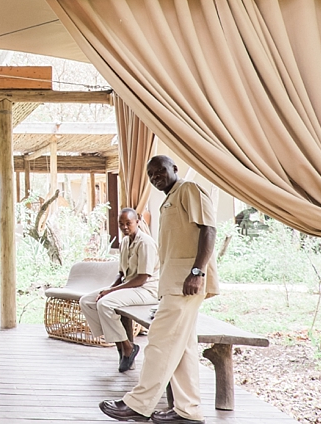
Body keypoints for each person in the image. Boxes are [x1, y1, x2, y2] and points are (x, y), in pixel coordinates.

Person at [100, 156, 218, 424]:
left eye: (160, 171)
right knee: (183, 349)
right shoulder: (169, 200)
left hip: (186, 283)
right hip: (174, 284)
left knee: (160, 342)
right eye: (150, 174)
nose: (155, 178)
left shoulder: (188, 189)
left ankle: (138, 404)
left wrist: (198, 272)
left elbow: (209, 229)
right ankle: (188, 410)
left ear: (174, 169)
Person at [79, 208, 159, 373]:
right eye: (121, 224)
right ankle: (121, 343)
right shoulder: (124, 242)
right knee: (86, 301)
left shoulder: (145, 243)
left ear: (137, 222)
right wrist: (110, 288)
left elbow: (142, 278)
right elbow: (122, 273)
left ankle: (127, 349)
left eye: (128, 223)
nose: (124, 227)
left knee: (105, 304)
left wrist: (110, 293)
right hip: (130, 286)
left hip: (146, 289)